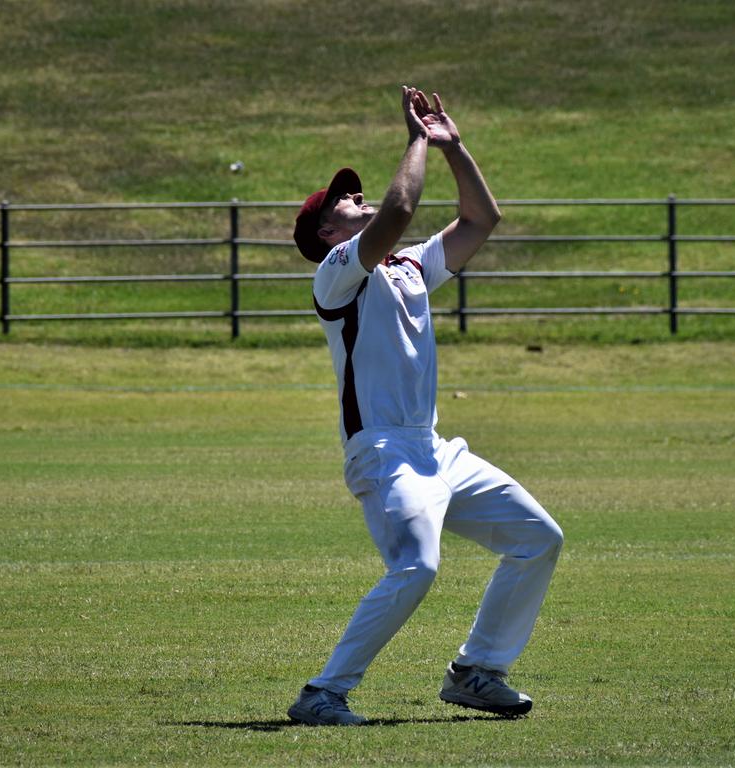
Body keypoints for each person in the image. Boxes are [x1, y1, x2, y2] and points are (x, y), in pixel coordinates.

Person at [286, 87, 564, 726]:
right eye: (342, 201)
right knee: (417, 566)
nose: (355, 200)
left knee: (537, 540)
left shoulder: (407, 265)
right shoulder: (335, 272)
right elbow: (400, 207)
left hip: (436, 449)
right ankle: (323, 693)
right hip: (383, 451)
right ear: (327, 231)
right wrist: (415, 138)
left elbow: (480, 221)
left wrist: (453, 144)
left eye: (354, 194)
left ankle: (477, 672)